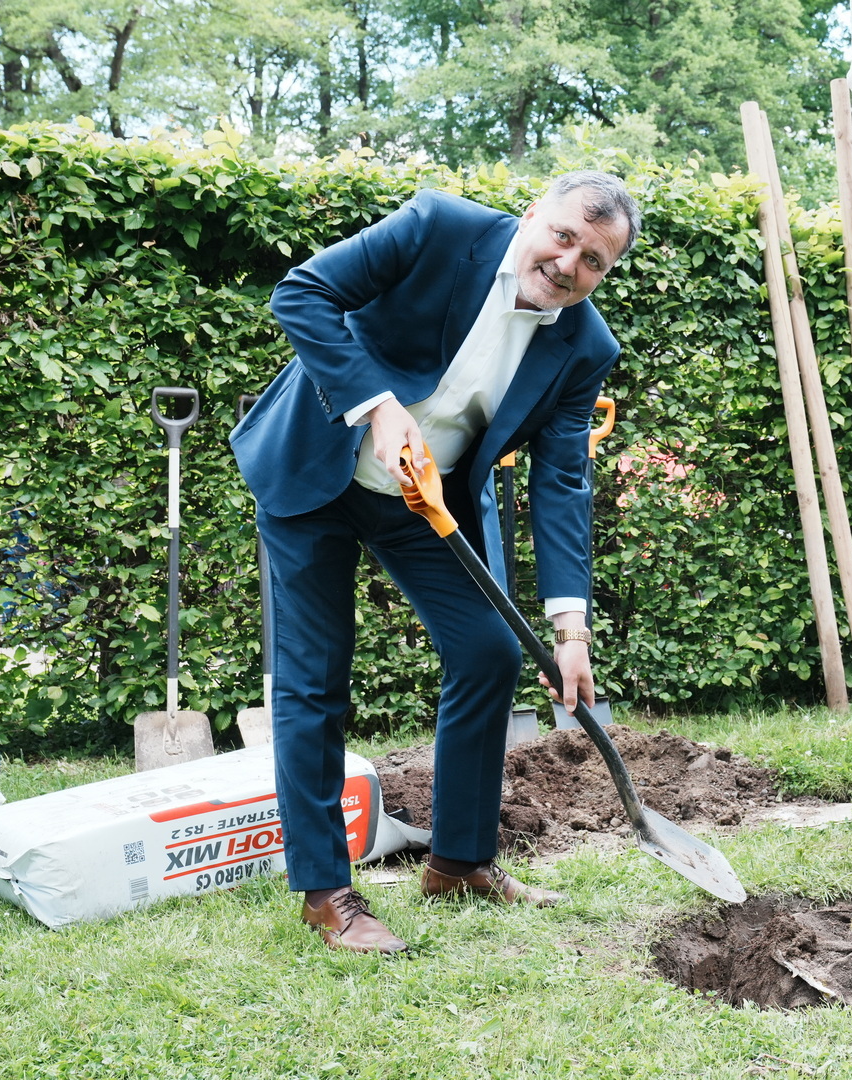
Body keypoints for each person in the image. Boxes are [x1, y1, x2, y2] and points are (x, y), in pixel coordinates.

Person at [231, 172, 641, 953]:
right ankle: (326, 893)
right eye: (562, 237)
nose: (568, 264)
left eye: (594, 260)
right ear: (532, 214)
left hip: (424, 500)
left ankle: (459, 863)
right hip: (316, 466)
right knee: (315, 676)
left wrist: (571, 630)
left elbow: (561, 480)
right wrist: (376, 404)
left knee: (489, 651)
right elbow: (302, 293)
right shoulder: (440, 227)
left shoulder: (585, 347)